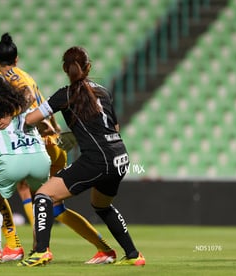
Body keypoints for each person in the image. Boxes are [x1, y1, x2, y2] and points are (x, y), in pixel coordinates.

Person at [0, 33, 116, 264]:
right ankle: (100, 248)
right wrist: (54, 132)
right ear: (17, 59)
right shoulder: (27, 76)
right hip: (48, 144)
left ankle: (9, 245)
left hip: (24, 145)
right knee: (52, 206)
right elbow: (42, 105)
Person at [19, 46, 146, 267]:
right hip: (120, 157)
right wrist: (77, 135)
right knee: (101, 206)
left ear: (64, 69)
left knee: (43, 196)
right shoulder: (103, 92)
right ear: (88, 67)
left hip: (97, 159)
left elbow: (30, 120)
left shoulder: (65, 95)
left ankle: (41, 251)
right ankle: (134, 255)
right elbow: (114, 127)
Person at [0, 73, 51, 264]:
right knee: (40, 200)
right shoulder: (25, 106)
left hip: (12, 161)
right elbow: (42, 120)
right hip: (40, 160)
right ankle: (41, 248)